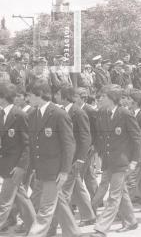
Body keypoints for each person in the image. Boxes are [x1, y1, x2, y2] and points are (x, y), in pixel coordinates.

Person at [26, 79, 81, 237]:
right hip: (41, 169)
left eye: (29, 95)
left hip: (55, 171)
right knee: (59, 203)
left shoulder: (58, 114)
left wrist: (64, 171)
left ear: (39, 95)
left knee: (46, 208)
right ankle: (73, 232)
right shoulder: (34, 113)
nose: (27, 98)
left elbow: (69, 145)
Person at [90, 85, 141, 237]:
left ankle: (101, 228)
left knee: (113, 196)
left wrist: (134, 161)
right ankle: (131, 221)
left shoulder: (125, 114)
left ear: (112, 98)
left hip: (122, 162)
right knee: (121, 192)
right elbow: (100, 136)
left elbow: (137, 139)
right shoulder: (102, 113)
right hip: (107, 161)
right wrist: (100, 152)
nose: (100, 99)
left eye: (103, 96)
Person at [47, 85, 96, 236]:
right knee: (77, 188)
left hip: (75, 159)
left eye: (57, 94)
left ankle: (55, 226)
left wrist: (81, 159)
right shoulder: (63, 110)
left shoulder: (78, 112)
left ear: (64, 96)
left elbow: (85, 137)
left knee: (62, 194)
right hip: (67, 158)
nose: (55, 96)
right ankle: (88, 215)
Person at [0, 82, 36, 235]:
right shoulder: (1, 114)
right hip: (5, 163)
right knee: (22, 197)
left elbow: (28, 144)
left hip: (15, 166)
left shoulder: (20, 115)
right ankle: (35, 227)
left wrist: (22, 167)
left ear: (2, 98)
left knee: (5, 201)